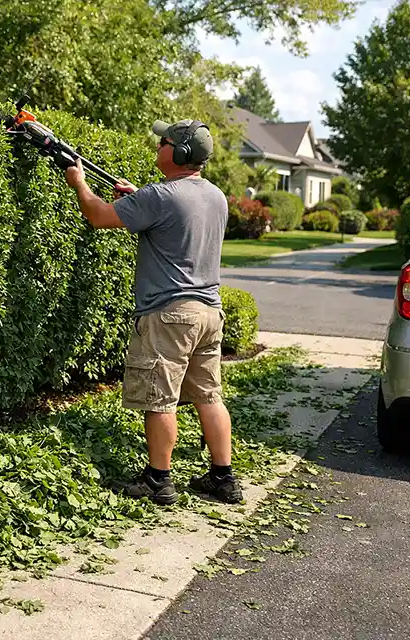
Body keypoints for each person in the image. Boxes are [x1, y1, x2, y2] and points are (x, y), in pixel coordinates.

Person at [63, 118, 243, 506]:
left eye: (164, 142)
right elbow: (174, 219)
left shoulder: (160, 197)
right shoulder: (216, 196)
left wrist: (77, 180)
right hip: (210, 314)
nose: (158, 145)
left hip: (170, 314)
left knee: (158, 399)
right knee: (209, 395)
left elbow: (98, 215)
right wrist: (138, 197)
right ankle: (223, 478)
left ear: (178, 152)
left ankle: (159, 479)